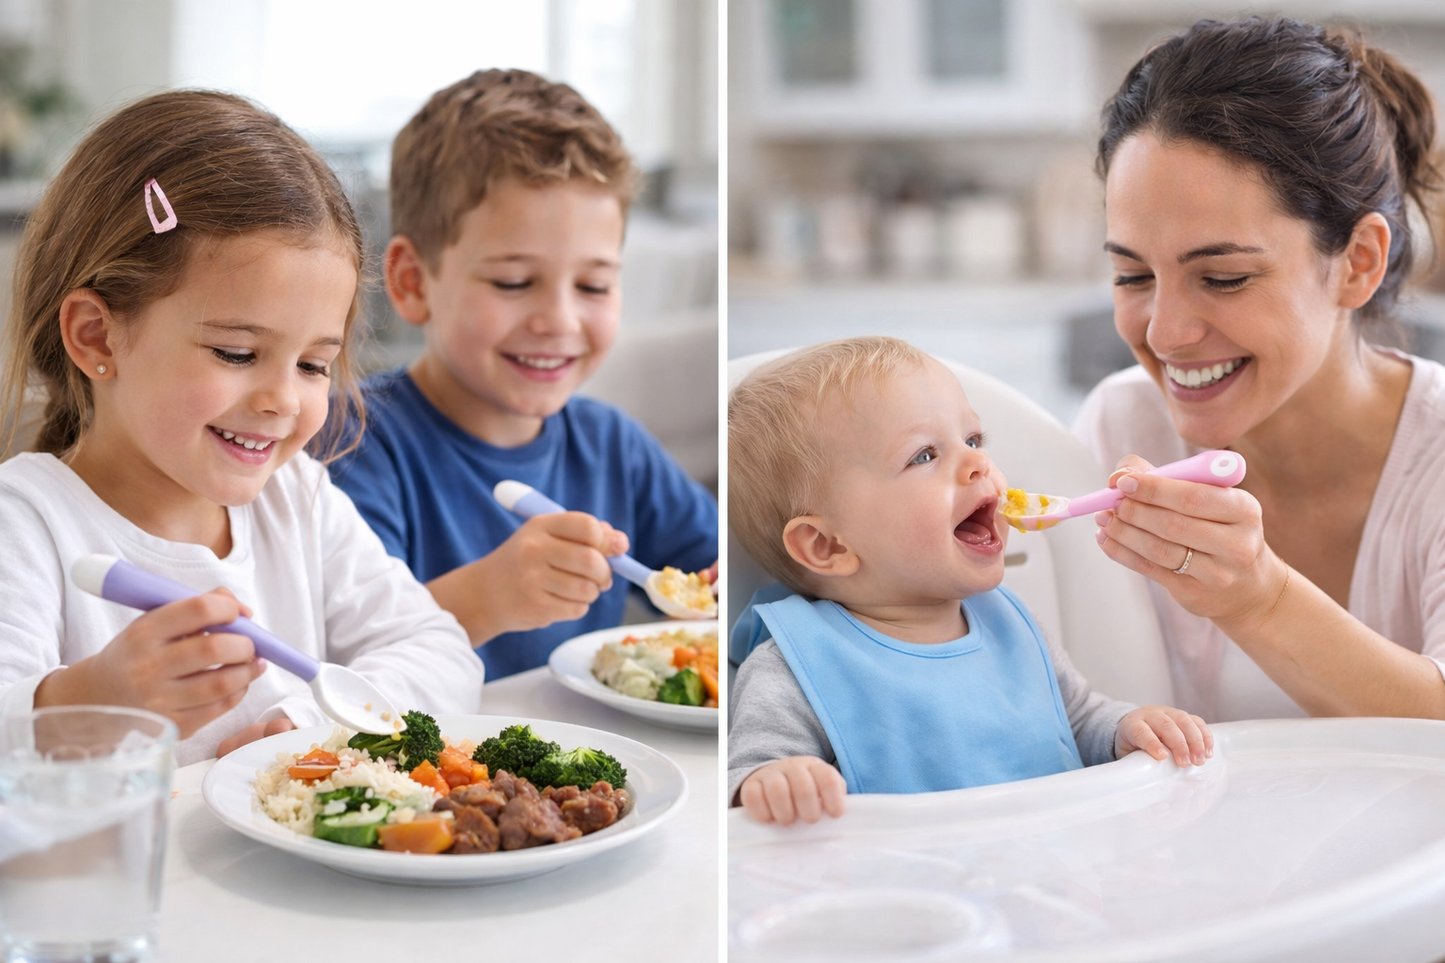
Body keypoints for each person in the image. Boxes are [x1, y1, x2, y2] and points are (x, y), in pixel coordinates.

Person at [0, 90, 484, 766]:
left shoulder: (299, 498)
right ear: (96, 336)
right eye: (235, 353)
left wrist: (307, 723)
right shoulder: (25, 522)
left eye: (313, 365)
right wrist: (90, 701)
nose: (282, 400)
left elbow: (441, 653)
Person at [1078, 16, 1445, 723]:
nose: (1163, 333)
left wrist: (1259, 600)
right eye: (1132, 276)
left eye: (1223, 278)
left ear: (1357, 262)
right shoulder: (1121, 426)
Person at [328, 69, 717, 680]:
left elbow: (721, 576)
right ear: (412, 282)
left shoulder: (614, 447)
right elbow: (333, 659)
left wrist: (723, 592)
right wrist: (488, 597)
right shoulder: (350, 441)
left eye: (594, 285)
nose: (559, 320)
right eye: (513, 282)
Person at [727, 336, 1212, 825]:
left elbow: (1078, 719)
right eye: (924, 456)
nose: (979, 463)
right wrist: (774, 781)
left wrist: (1124, 729)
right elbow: (746, 779)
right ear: (826, 546)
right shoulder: (794, 666)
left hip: (1051, 864)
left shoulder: (1011, 623)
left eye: (974, 440)